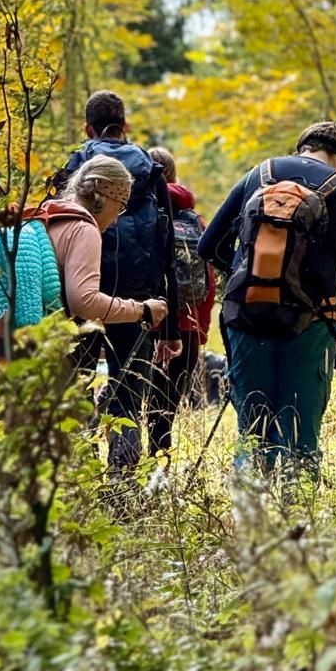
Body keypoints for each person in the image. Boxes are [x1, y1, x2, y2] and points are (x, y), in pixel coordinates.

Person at [0, 159, 169, 467]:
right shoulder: (83, 229)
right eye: (119, 207)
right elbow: (83, 300)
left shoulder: (40, 216)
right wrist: (142, 310)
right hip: (41, 351)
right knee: (58, 455)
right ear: (104, 198)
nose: (116, 219)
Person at [198, 121, 336, 480]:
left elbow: (208, 246)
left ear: (300, 147)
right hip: (310, 326)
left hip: (247, 319)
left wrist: (245, 273)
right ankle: (297, 524)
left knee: (252, 435)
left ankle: (250, 522)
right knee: (301, 438)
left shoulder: (260, 173)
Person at [54, 91, 180, 473]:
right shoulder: (151, 171)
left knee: (75, 391)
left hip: (79, 299)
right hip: (139, 299)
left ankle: (78, 480)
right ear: (125, 127)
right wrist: (168, 326)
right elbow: (167, 247)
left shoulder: (77, 167)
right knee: (127, 398)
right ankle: (122, 486)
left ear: (88, 128)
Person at [148, 147, 216, 458]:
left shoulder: (141, 214)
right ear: (174, 176)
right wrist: (200, 330)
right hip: (186, 332)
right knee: (165, 414)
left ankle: (125, 484)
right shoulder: (196, 222)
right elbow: (210, 281)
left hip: (146, 323)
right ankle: (159, 474)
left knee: (131, 405)